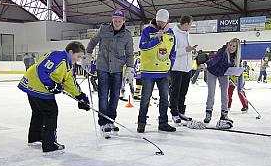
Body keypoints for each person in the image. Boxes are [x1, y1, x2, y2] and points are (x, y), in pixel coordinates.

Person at [18, 41, 90, 154]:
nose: (78, 59)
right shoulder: (58, 57)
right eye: (78, 56)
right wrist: (51, 85)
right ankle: (49, 144)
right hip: (37, 85)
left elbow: (69, 82)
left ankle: (35, 138)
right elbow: (42, 69)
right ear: (71, 52)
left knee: (38, 112)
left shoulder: (68, 64)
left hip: (31, 84)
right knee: (51, 112)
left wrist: (80, 96)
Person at [83, 9, 134, 138]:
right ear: (112, 19)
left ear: (123, 21)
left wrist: (130, 68)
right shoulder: (104, 29)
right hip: (103, 67)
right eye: (115, 20)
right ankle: (103, 122)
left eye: (119, 20)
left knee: (115, 96)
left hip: (117, 68)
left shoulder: (127, 35)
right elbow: (93, 42)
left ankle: (111, 121)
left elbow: (129, 53)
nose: (117, 22)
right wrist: (87, 55)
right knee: (103, 95)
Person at [137, 9, 176, 133]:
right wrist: (157, 38)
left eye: (162, 22)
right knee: (145, 99)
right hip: (148, 72)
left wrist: (170, 65)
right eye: (158, 21)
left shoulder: (171, 34)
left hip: (164, 72)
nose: (160, 24)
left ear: (167, 21)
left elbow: (172, 52)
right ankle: (141, 123)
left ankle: (163, 123)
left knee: (165, 98)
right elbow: (143, 46)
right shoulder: (147, 31)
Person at [202, 38, 241, 129]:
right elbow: (214, 60)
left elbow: (234, 68)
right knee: (211, 93)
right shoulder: (222, 51)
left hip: (223, 74)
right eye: (230, 45)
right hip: (212, 71)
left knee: (225, 94)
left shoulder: (236, 57)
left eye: (233, 46)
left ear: (237, 48)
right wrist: (206, 65)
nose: (231, 47)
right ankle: (208, 113)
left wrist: (234, 73)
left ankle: (224, 114)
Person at [169, 15, 195, 124]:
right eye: (190, 24)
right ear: (186, 23)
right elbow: (172, 52)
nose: (191, 26)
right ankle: (174, 113)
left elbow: (187, 50)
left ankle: (181, 111)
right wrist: (186, 50)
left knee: (183, 91)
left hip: (187, 68)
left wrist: (191, 51)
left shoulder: (188, 34)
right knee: (175, 91)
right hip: (177, 68)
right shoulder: (174, 34)